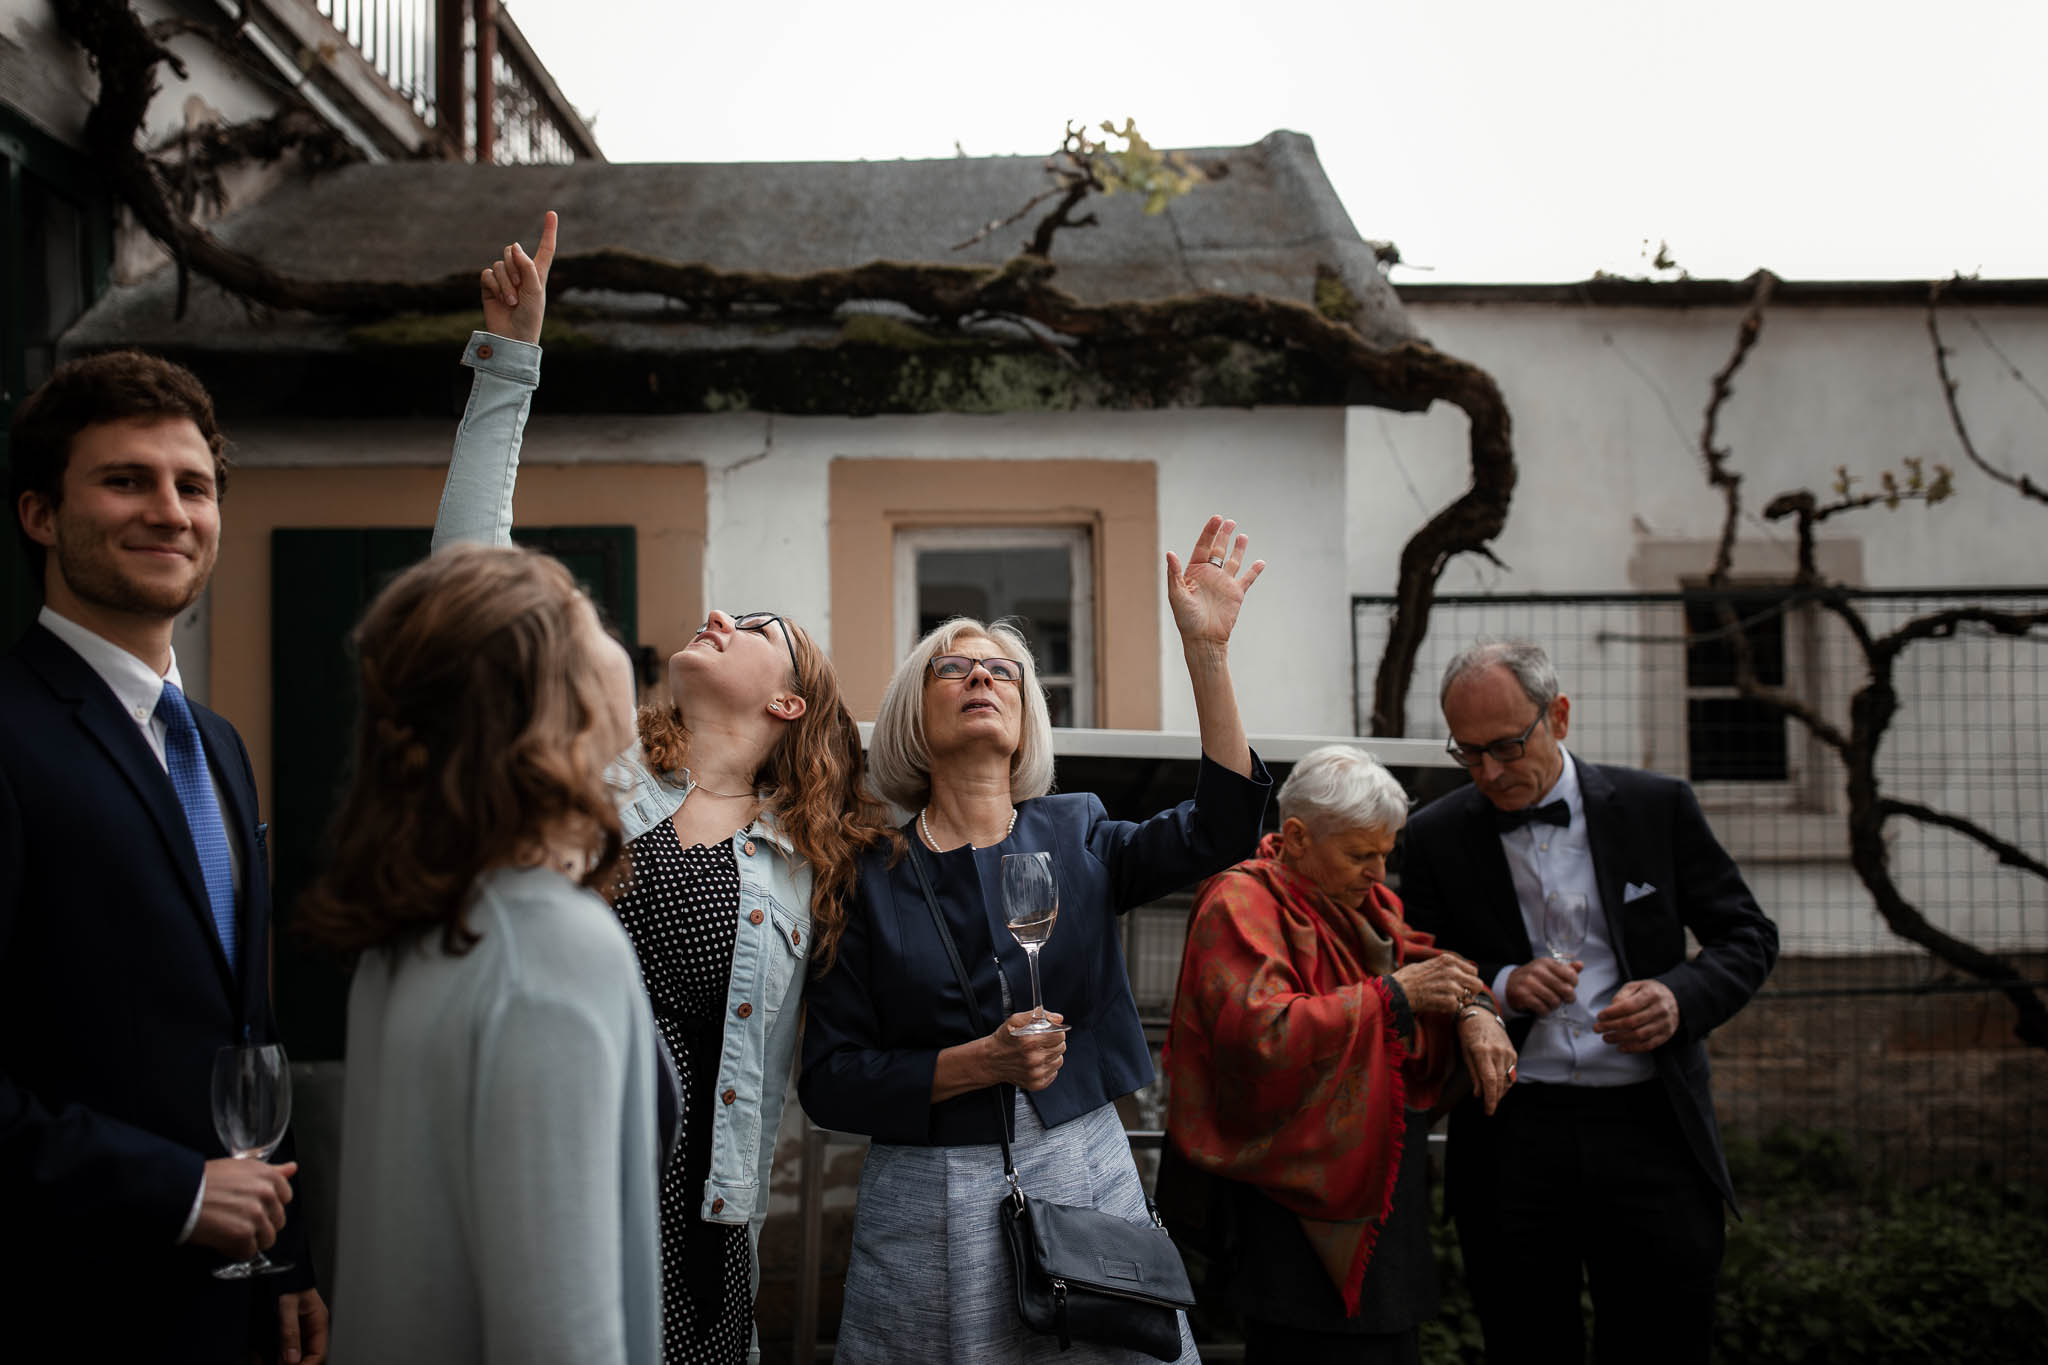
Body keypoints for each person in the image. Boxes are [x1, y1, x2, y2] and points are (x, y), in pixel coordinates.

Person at [439, 212, 899, 1364]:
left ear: (789, 705)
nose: (716, 619)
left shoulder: (809, 867)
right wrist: (509, 364)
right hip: (548, 1169)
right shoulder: (588, 776)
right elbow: (470, 583)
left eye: (751, 628)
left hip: (697, 1218)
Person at [799, 517, 1273, 1365]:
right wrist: (977, 1063)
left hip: (1082, 1174)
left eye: (1004, 669)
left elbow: (1224, 829)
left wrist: (1207, 654)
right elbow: (830, 1082)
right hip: (925, 1198)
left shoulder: (1079, 829)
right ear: (916, 707)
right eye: (955, 665)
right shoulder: (865, 872)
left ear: (1025, 713)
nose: (982, 673)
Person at [1, 352, 328, 1363]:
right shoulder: (8, 732)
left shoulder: (217, 747)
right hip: (56, 1299)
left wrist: (285, 1253)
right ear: (41, 516)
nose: (170, 511)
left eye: (192, 486)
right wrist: (174, 1189)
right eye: (124, 480)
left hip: (223, 1301)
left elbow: (243, 1027)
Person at [302, 542, 662, 1365]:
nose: (619, 641)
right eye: (588, 615)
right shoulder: (549, 946)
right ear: (549, 696)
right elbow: (560, 1333)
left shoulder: (414, 929)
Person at [1398, 639, 1780, 1365]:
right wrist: (1503, 986)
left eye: (1508, 747)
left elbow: (1748, 935)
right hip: (1512, 1133)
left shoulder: (1655, 807)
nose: (1491, 772)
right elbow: (1416, 960)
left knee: (1662, 1341)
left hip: (1651, 1128)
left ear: (1559, 716)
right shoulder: (1436, 834)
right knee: (1526, 1342)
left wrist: (1677, 994)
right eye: (1469, 754)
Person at [1162, 745, 1516, 1365]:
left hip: (1382, 1195)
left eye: (1386, 852)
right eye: (1360, 854)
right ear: (1296, 836)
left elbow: (1433, 968)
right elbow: (1258, 1034)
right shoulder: (1239, 902)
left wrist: (1475, 1010)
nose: (1379, 873)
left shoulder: (1370, 904)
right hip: (1287, 1208)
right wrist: (1393, 997)